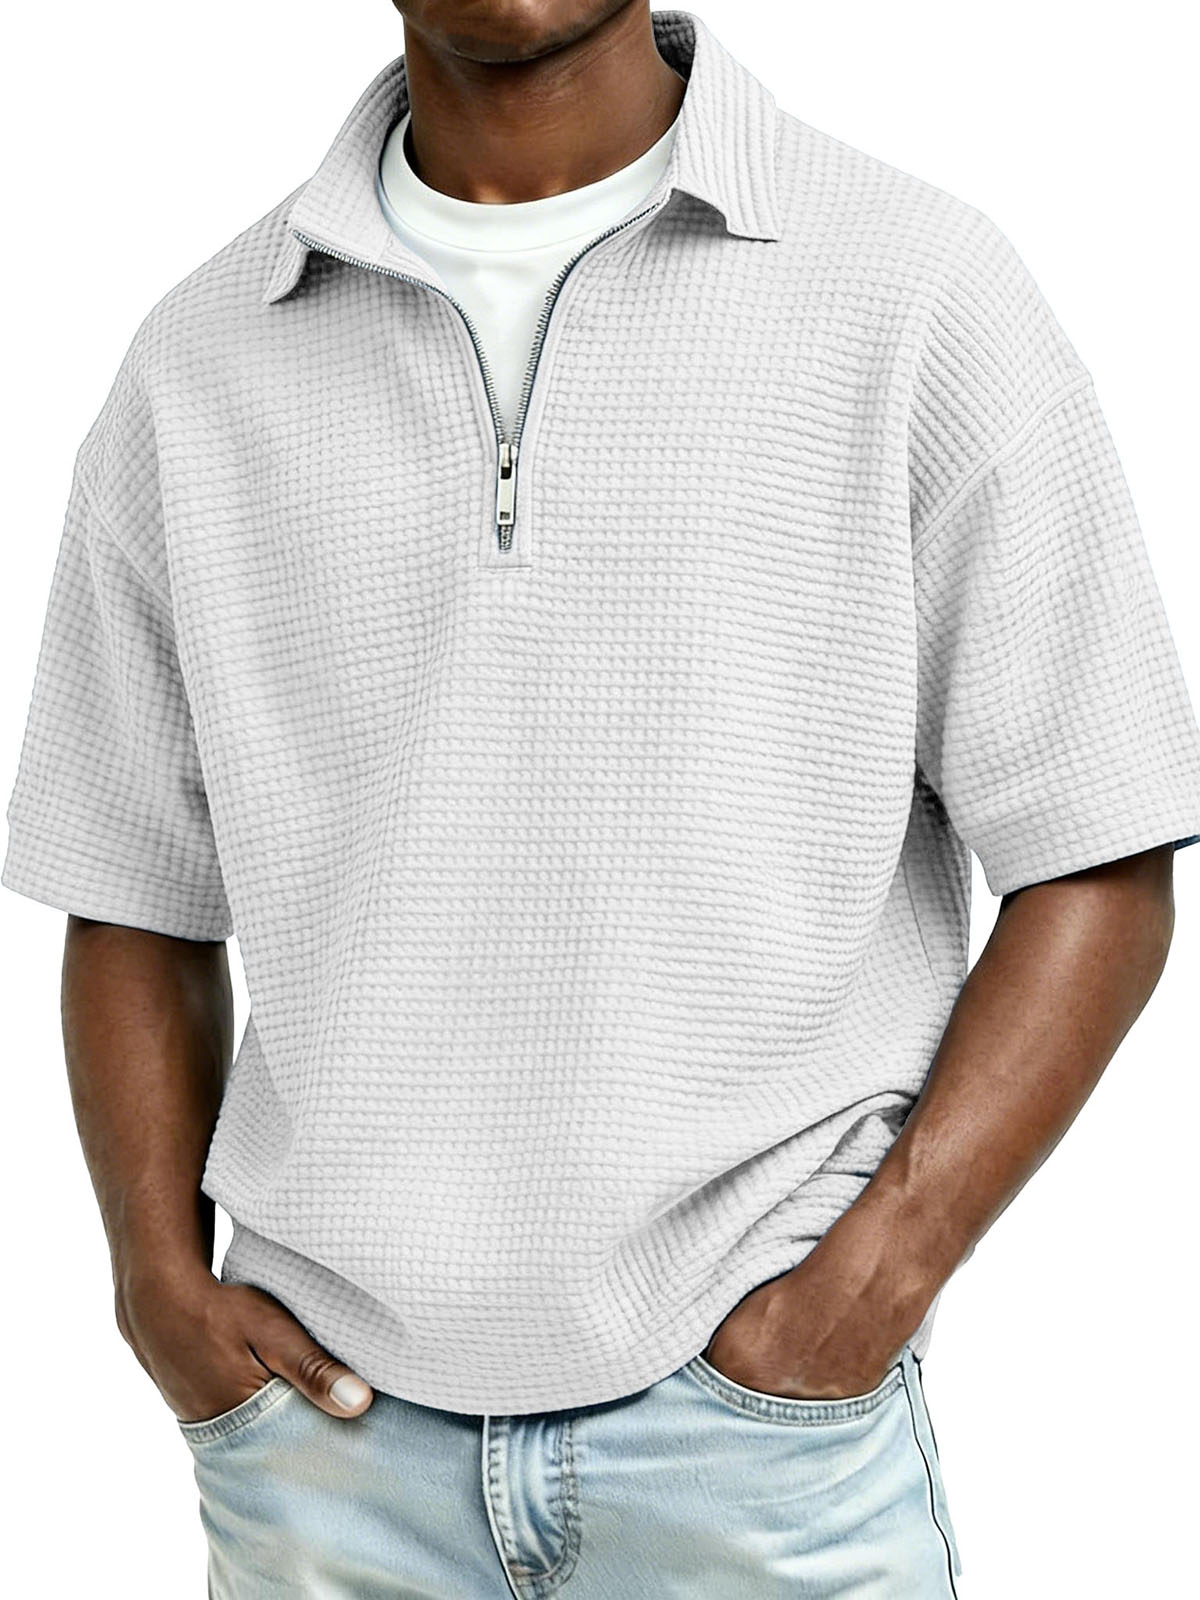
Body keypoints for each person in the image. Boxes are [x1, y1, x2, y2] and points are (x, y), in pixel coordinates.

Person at [6, 3, 1200, 1594]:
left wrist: (871, 1282)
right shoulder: (200, 356)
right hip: (324, 1454)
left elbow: (1096, 843)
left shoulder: (914, 284)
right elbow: (133, 886)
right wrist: (155, 1287)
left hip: (758, 1439)